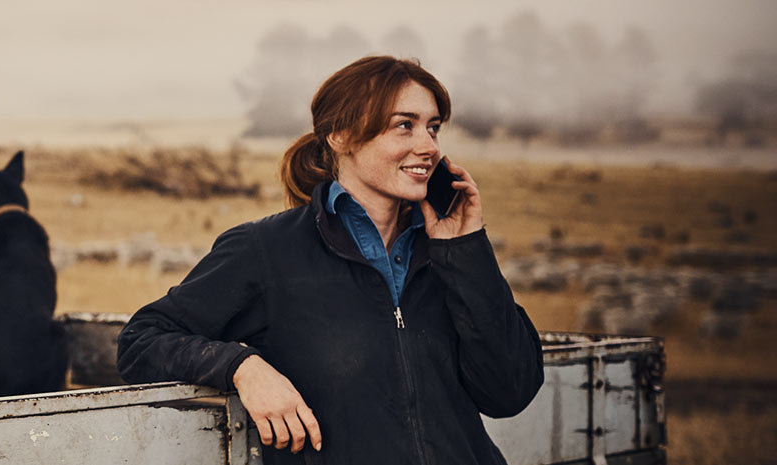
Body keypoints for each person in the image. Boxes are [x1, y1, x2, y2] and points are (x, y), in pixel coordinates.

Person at [116, 56, 543, 464]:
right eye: (404, 126)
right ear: (341, 136)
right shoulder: (267, 250)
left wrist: (467, 250)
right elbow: (142, 339)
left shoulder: (448, 254)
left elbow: (510, 392)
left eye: (433, 128)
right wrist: (243, 367)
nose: (427, 146)